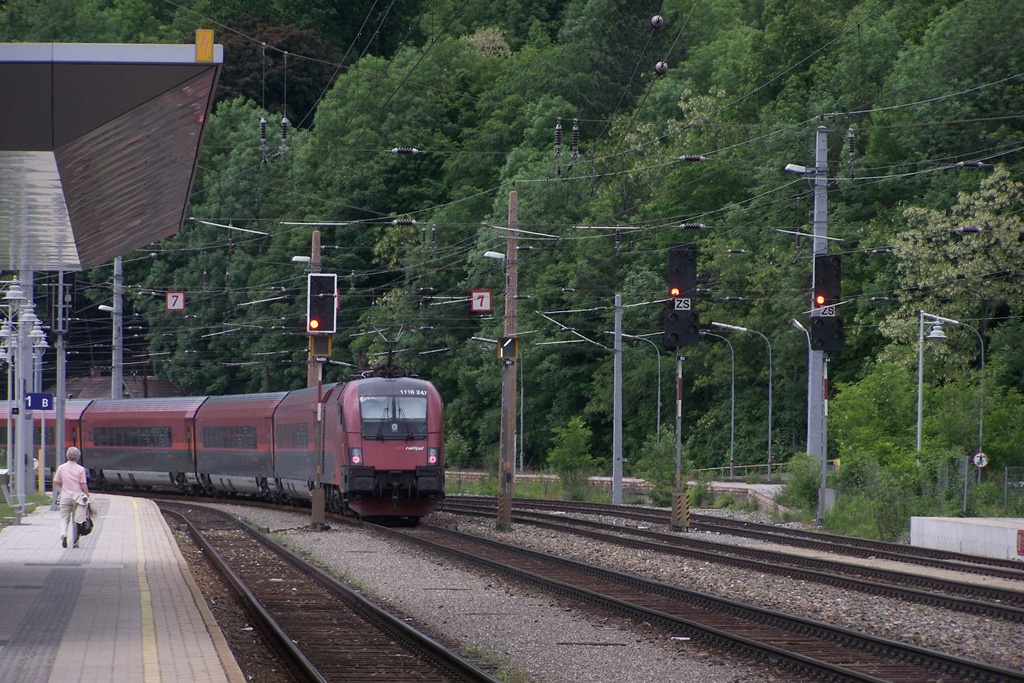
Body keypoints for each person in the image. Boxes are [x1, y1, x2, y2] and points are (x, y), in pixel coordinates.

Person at [53, 447, 89, 548]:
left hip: (65, 496)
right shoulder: (81, 469)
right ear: (78, 457)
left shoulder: (61, 468)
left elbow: (56, 481)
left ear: (67, 455)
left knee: (64, 518)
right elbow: (83, 483)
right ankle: (76, 542)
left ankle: (64, 534)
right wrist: (87, 494)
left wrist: (63, 486)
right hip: (77, 497)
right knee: (76, 519)